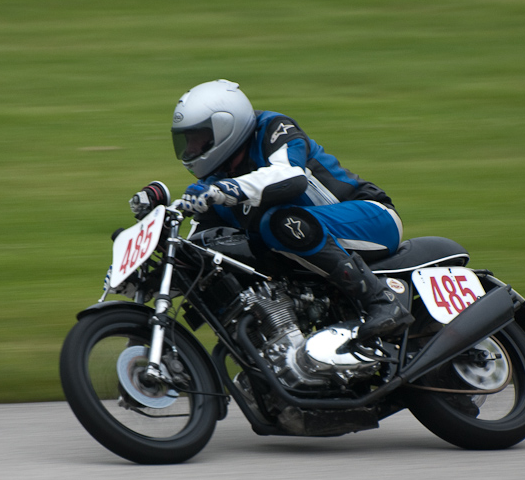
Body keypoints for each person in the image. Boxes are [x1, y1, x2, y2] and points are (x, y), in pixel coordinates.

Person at [137, 79, 413, 340]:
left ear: (224, 128)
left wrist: (226, 190)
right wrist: (158, 266)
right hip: (307, 241)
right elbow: (199, 249)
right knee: (224, 256)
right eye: (187, 141)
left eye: (198, 138)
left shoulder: (273, 129)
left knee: (277, 222)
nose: (191, 148)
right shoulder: (214, 185)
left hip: (373, 218)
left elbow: (290, 178)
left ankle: (382, 303)